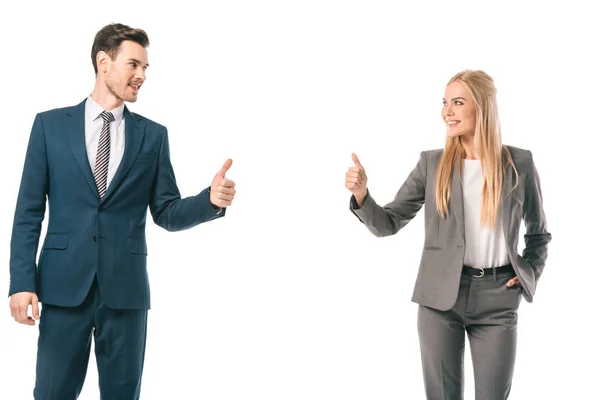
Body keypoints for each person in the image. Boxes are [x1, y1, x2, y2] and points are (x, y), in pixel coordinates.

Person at [8, 23, 236, 399]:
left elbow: (166, 211)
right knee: (51, 393)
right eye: (134, 64)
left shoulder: (153, 135)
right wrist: (21, 283)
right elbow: (28, 213)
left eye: (145, 68)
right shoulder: (49, 126)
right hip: (63, 289)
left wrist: (209, 201)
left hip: (125, 294)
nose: (142, 76)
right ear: (103, 62)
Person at [345, 70, 551, 399]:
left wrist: (527, 275)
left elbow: (538, 235)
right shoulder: (432, 164)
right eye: (444, 103)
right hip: (439, 300)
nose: (447, 111)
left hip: (498, 298)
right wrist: (361, 196)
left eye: (457, 102)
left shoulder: (519, 163)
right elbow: (388, 222)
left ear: (483, 107)